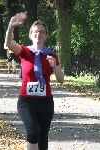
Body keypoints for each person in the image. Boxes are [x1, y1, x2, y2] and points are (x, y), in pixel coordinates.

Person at [5, 12, 64, 150]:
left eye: (42, 32)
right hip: (27, 101)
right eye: (36, 31)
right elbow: (8, 43)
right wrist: (11, 26)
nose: (39, 34)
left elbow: (61, 80)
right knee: (32, 132)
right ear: (31, 34)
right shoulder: (25, 51)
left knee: (42, 136)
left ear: (46, 35)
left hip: (45, 102)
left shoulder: (52, 55)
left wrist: (54, 66)